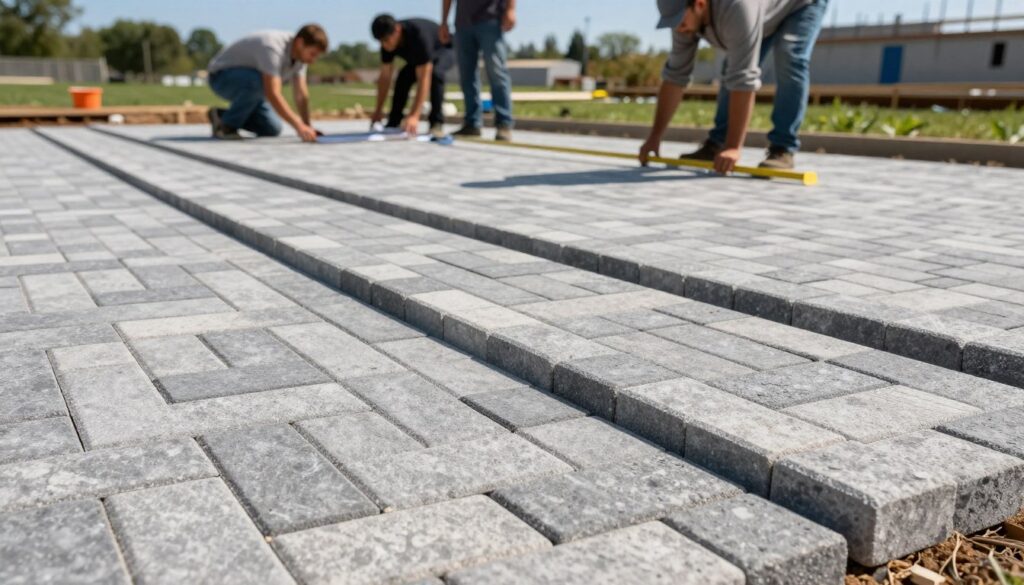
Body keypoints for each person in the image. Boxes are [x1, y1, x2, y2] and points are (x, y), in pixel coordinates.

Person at [640, 0, 829, 173]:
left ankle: (783, 147)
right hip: (762, 10)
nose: (678, 29)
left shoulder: (737, 7)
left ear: (699, 4)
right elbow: (675, 77)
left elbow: (743, 78)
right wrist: (654, 138)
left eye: (679, 21)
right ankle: (716, 144)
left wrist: (733, 148)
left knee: (789, 55)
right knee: (732, 65)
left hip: (800, 5)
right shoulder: (683, 21)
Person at [206, 25, 328, 142]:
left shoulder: (301, 58)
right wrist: (298, 125)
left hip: (253, 89)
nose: (313, 60)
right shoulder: (273, 47)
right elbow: (272, 93)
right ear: (300, 43)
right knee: (257, 81)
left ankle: (221, 116)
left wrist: (307, 126)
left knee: (272, 128)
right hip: (221, 77)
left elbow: (301, 95)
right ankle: (226, 126)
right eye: (312, 54)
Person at [440, 0, 516, 141]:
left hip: (490, 19)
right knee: (467, 75)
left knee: (496, 72)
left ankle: (504, 123)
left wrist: (510, 9)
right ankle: (472, 123)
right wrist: (444, 21)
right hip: (463, 22)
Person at [371, 14, 455, 138]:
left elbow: (424, 78)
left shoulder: (418, 36)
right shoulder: (386, 44)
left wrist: (414, 115)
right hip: (421, 58)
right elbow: (385, 78)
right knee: (403, 76)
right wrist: (378, 110)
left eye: (387, 40)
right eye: (381, 41)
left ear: (397, 30)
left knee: (435, 74)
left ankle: (436, 123)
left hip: (444, 49)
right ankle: (394, 121)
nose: (385, 45)